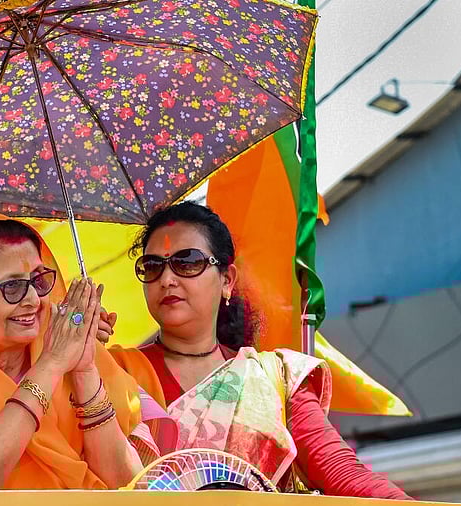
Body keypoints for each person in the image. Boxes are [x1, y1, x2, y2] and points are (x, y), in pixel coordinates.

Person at [107, 201, 411, 498]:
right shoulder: (113, 370)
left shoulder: (274, 380)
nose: (167, 279)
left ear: (227, 280)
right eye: (152, 266)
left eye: (187, 262)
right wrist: (81, 359)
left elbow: (341, 474)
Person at [0, 211, 155, 490]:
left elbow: (126, 483)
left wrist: (84, 370)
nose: (34, 299)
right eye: (12, 287)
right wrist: (51, 366)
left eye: (38, 279)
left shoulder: (67, 338)